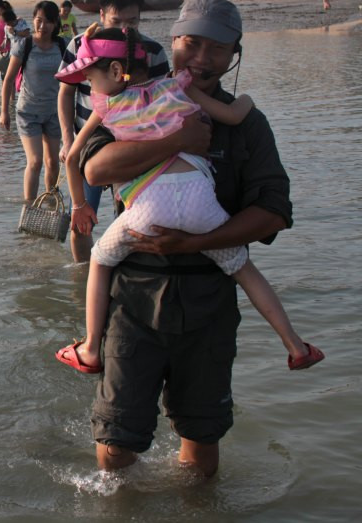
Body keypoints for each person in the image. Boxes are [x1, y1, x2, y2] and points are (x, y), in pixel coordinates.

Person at [76, 0, 306, 477]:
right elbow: (95, 170)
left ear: (234, 56)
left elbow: (273, 213)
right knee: (116, 443)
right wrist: (176, 141)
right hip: (134, 300)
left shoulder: (245, 124)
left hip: (209, 304)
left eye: (217, 50)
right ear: (173, 43)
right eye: (191, 44)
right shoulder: (133, 100)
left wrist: (196, 242)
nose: (202, 59)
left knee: (200, 441)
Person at [55, 23, 322, 377]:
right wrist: (248, 101)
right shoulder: (176, 87)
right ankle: (295, 346)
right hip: (199, 199)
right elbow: (234, 114)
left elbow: (73, 158)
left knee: (100, 260)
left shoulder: (106, 106)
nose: (89, 86)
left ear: (116, 72)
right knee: (243, 268)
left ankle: (89, 348)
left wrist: (80, 206)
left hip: (148, 208)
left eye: (90, 77)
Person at [57, 0, 170, 262]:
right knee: (80, 222)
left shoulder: (152, 52)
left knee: (136, 221)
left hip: (133, 148)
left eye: (131, 22)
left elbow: (161, 106)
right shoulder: (81, 45)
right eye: (116, 21)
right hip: (89, 144)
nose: (124, 29)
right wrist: (68, 139)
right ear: (101, 17)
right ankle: (83, 277)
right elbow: (65, 92)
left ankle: (124, 276)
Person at [0, 1, 66, 202]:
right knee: (36, 161)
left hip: (55, 113)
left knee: (53, 162)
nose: (42, 26)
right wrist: (4, 111)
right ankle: (29, 207)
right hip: (28, 112)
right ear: (33, 20)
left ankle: (49, 202)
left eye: (48, 22)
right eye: (38, 20)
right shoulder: (24, 45)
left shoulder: (63, 45)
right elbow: (9, 79)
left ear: (56, 24)